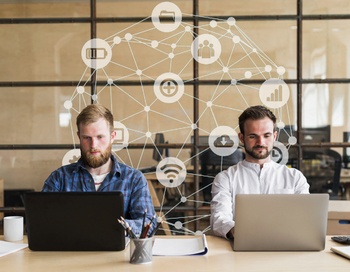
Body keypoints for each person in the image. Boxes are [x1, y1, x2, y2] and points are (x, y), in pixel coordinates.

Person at [42, 104, 156, 236]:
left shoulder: (134, 179)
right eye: (87, 138)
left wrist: (112, 226)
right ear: (79, 137)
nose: (93, 145)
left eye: (100, 137)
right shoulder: (59, 178)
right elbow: (41, 223)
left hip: (117, 256)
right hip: (70, 254)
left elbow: (148, 225)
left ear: (112, 136)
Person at [210, 105, 309, 239]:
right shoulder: (225, 178)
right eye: (252, 136)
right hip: (241, 249)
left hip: (286, 247)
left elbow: (306, 219)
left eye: (266, 135)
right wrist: (237, 231)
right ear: (241, 137)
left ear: (274, 136)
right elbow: (219, 219)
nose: (260, 142)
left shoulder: (295, 178)